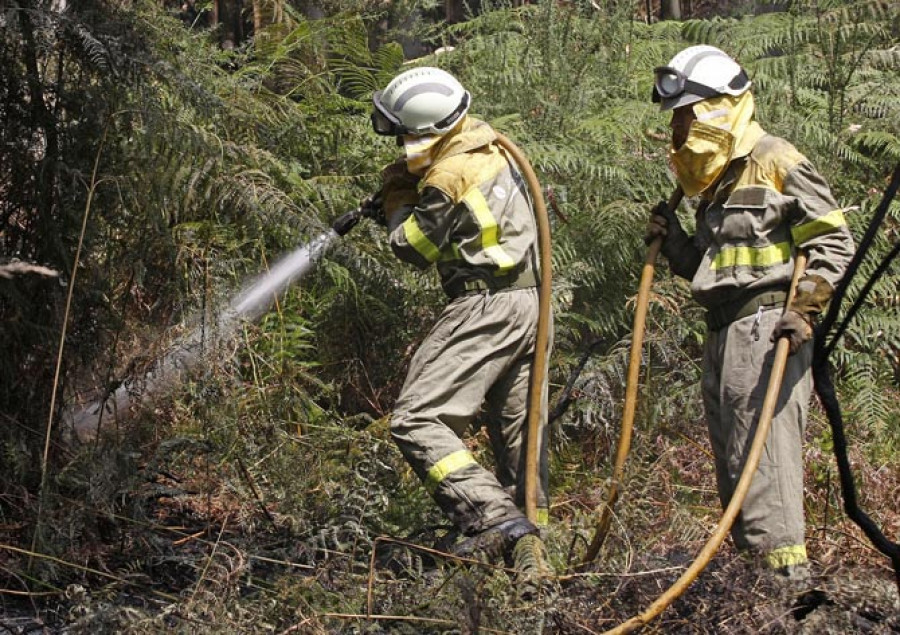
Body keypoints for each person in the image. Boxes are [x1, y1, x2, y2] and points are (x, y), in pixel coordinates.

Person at [645, 45, 855, 577]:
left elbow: (833, 243)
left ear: (720, 106)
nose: (681, 124)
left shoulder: (776, 159)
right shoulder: (713, 182)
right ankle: (752, 590)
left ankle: (789, 591)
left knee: (766, 469)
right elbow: (714, 272)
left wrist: (804, 310)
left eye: (687, 112)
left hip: (768, 331)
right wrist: (672, 246)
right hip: (723, 333)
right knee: (735, 465)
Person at [367, 66, 551, 567]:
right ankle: (534, 561)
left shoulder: (449, 174)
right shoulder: (489, 147)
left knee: (416, 419)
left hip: (486, 305)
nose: (402, 145)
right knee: (519, 441)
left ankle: (491, 517)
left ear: (426, 127)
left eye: (404, 133)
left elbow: (412, 247)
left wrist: (397, 199)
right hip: (531, 300)